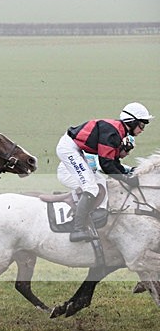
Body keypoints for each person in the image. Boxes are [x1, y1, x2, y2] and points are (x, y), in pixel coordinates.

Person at [55, 102, 151, 242]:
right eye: (142, 125)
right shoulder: (113, 133)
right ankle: (78, 229)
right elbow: (106, 165)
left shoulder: (118, 131)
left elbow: (113, 163)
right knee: (91, 187)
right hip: (69, 149)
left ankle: (95, 214)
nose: (142, 130)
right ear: (133, 122)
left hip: (75, 148)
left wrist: (128, 175)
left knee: (100, 181)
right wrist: (126, 179)